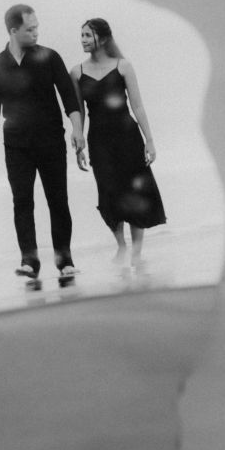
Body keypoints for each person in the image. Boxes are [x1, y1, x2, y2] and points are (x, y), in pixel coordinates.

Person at [0, 4, 88, 280]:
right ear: (13, 31)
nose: (36, 33)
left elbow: (69, 97)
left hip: (50, 141)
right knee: (22, 202)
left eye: (37, 27)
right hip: (16, 145)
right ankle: (29, 261)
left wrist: (78, 130)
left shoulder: (49, 57)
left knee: (58, 200)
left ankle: (65, 260)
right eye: (30, 29)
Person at [71, 17, 166, 268]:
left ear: (102, 39)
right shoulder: (77, 72)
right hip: (99, 141)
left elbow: (138, 106)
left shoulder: (123, 66)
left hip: (128, 138)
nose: (83, 40)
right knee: (109, 193)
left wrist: (149, 140)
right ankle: (121, 246)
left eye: (88, 35)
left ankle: (136, 253)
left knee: (134, 191)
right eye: (82, 35)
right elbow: (78, 112)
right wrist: (79, 144)